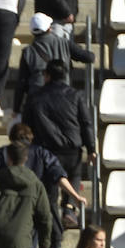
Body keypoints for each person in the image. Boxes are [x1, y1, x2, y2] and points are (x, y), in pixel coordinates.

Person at [23, 60, 95, 227]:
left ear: (46, 75)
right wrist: (91, 148)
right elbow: (86, 123)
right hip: (72, 149)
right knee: (74, 177)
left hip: (47, 151)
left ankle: (55, 235)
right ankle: (69, 209)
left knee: (50, 195)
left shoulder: (35, 97)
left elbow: (27, 125)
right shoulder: (76, 95)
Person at [12, 13, 94, 117]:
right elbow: (89, 58)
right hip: (62, 98)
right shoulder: (64, 43)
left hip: (37, 100)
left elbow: (22, 82)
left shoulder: (28, 52)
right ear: (49, 28)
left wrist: (16, 109)